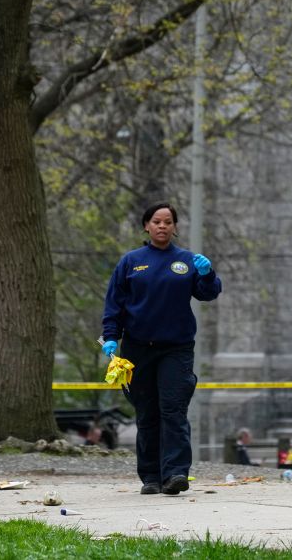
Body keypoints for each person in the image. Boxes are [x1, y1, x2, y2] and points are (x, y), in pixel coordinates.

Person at [100, 201, 222, 496]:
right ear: (146, 225)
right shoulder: (130, 262)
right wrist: (111, 336)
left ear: (175, 227)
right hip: (137, 348)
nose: (163, 226)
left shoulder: (187, 261)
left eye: (168, 221)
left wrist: (207, 275)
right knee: (147, 412)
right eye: (157, 221)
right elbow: (114, 303)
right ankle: (151, 476)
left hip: (176, 348)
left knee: (174, 409)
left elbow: (208, 294)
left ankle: (176, 473)